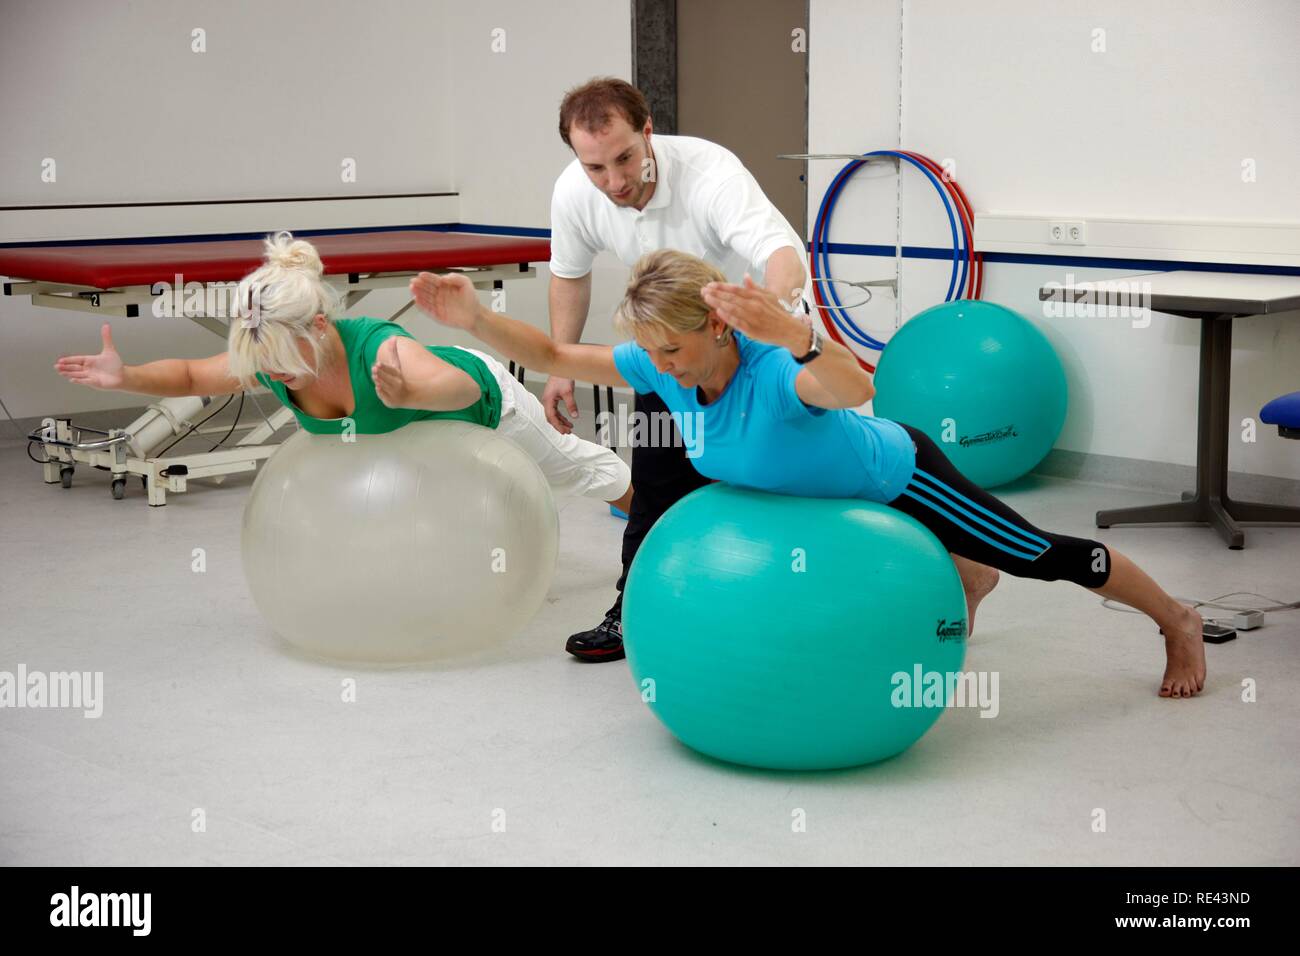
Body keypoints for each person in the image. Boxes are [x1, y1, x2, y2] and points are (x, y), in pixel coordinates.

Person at [408, 250, 1209, 699]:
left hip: (897, 480)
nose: (657, 370)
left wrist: (795, 334)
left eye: (672, 351)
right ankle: (965, 575)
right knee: (978, 567)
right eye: (648, 354)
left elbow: (858, 390)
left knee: (1038, 555)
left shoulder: (770, 369)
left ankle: (1175, 619)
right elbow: (551, 356)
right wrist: (474, 316)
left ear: (719, 325)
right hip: (811, 509)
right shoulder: (664, 364)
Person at [53, 231, 632, 511]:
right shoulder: (275, 358)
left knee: (569, 471)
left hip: (488, 408)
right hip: (409, 447)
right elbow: (188, 376)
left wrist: (406, 392)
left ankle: (644, 508)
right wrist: (124, 376)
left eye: (287, 362)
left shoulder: (381, 348)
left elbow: (458, 388)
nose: (281, 378)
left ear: (322, 326)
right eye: (268, 367)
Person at [546, 76, 811, 661]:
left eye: (624, 159)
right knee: (657, 484)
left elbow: (781, 255)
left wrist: (773, 321)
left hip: (758, 346)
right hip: (673, 349)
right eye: (595, 167)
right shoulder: (575, 191)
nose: (613, 182)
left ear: (648, 133)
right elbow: (569, 272)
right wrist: (561, 366)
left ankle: (777, 616)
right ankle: (633, 610)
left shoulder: (711, 174)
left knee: (775, 484)